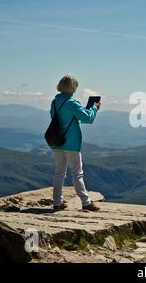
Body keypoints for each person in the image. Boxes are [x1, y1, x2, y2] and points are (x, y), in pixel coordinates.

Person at [49, 75, 101, 211]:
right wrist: (94, 108)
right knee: (77, 173)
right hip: (71, 143)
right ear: (73, 87)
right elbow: (87, 118)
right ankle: (86, 202)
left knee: (59, 172)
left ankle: (57, 202)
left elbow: (57, 118)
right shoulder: (72, 103)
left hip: (56, 141)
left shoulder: (54, 102)